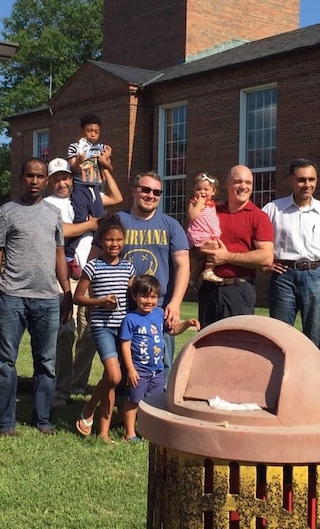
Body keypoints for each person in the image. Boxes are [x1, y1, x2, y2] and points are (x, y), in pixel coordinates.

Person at [0, 158, 73, 437]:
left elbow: (60, 254)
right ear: (21, 178)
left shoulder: (52, 214)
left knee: (46, 363)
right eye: (29, 176)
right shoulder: (7, 212)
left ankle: (43, 419)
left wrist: (67, 291)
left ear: (46, 180)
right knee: (4, 362)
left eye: (40, 177)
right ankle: (5, 421)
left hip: (47, 298)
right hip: (12, 296)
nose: (35, 181)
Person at [44, 156, 123, 405]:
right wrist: (91, 224)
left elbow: (117, 198)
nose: (62, 183)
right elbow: (62, 231)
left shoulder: (85, 197)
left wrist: (106, 167)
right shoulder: (46, 204)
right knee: (65, 331)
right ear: (50, 182)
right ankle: (61, 390)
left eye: (66, 177)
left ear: (72, 177)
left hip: (89, 275)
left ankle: (78, 384)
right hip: (61, 277)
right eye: (56, 179)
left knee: (89, 331)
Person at [263, 159, 320, 356]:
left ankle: (315, 385)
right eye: (302, 180)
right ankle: (280, 382)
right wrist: (266, 263)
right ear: (291, 181)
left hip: (314, 275)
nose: (307, 185)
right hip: (283, 277)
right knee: (279, 336)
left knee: (316, 338)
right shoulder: (273, 209)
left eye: (311, 179)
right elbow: (257, 238)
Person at [118, 171, 190, 373]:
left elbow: (183, 264)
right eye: (146, 190)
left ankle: (158, 400)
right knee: (122, 358)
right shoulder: (118, 221)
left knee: (161, 359)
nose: (151, 195)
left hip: (158, 306)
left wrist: (175, 303)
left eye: (157, 192)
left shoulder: (171, 225)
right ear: (134, 191)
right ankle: (127, 401)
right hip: (122, 305)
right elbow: (96, 259)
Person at [74, 215, 135, 442]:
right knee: (113, 375)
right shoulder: (93, 267)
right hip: (102, 327)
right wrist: (100, 302)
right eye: (109, 239)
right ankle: (89, 408)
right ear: (101, 240)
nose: (114, 244)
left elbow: (133, 295)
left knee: (112, 380)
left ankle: (103, 432)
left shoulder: (128, 267)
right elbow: (78, 297)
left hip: (124, 330)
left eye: (119, 239)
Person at [119, 274, 200, 442]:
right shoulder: (130, 319)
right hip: (139, 370)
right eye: (144, 296)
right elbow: (125, 345)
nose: (148, 301)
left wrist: (187, 324)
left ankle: (147, 431)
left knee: (151, 403)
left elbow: (172, 330)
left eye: (153, 297)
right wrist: (130, 369)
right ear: (134, 296)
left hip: (157, 370)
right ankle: (130, 433)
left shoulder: (159, 314)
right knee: (134, 401)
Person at [198, 165, 274, 327]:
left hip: (239, 290)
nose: (243, 187)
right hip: (209, 290)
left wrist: (227, 257)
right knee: (207, 345)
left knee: (237, 347)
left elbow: (266, 257)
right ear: (227, 184)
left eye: (248, 183)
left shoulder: (258, 216)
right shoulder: (211, 210)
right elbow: (192, 238)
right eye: (238, 181)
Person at [66, 113, 111, 262]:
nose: (93, 134)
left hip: (95, 187)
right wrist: (78, 162)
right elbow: (73, 169)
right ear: (82, 131)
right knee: (80, 218)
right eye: (89, 131)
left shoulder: (101, 148)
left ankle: (100, 253)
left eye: (96, 132)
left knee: (101, 220)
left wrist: (105, 160)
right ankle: (69, 253)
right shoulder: (75, 147)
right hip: (80, 186)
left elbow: (109, 168)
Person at [186, 172, 224, 283]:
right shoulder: (194, 202)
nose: (202, 192)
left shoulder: (211, 204)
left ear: (213, 192)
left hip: (208, 234)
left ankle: (193, 279)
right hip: (198, 234)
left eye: (206, 189)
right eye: (198, 189)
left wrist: (217, 204)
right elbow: (192, 216)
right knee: (214, 249)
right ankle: (208, 271)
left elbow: (208, 211)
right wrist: (199, 204)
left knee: (205, 257)